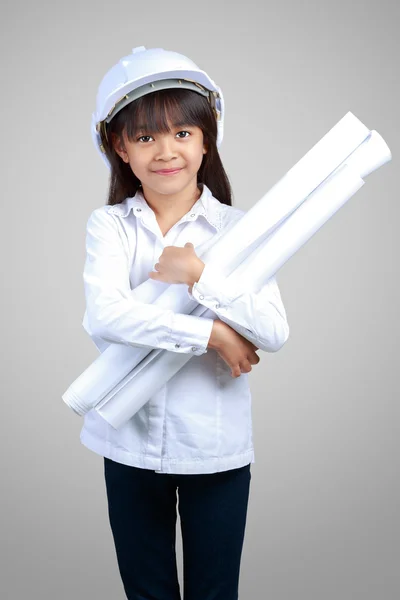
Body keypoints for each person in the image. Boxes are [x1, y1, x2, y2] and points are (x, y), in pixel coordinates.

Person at [81, 46, 290, 600]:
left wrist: (200, 276)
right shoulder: (111, 228)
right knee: (147, 593)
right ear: (120, 147)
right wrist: (212, 333)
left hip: (215, 448)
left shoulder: (240, 230)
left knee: (214, 593)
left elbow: (272, 332)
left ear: (205, 139)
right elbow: (105, 317)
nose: (166, 151)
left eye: (182, 134)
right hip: (127, 441)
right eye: (146, 137)